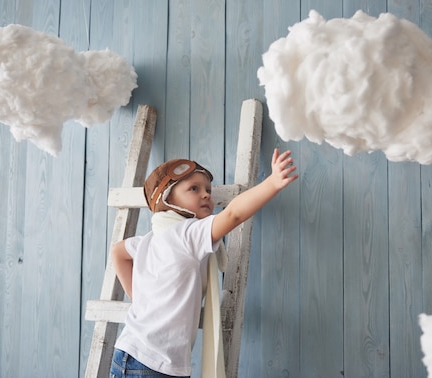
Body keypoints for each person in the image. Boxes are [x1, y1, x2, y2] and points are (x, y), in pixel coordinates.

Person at [109, 148, 298, 378]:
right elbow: (233, 215)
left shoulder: (153, 239)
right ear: (168, 199)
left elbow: (117, 252)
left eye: (207, 189)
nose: (206, 194)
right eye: (194, 189)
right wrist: (272, 183)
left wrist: (140, 299)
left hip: (138, 354)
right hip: (149, 363)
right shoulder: (185, 234)